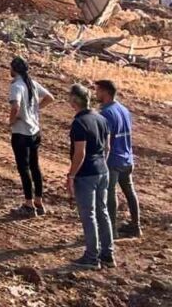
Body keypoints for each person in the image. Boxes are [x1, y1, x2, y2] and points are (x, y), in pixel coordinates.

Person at [66, 83, 114, 270]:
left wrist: (71, 175)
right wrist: (101, 163)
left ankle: (91, 257)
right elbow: (107, 147)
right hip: (103, 170)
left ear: (74, 100)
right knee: (103, 212)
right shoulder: (101, 118)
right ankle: (108, 255)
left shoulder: (79, 123)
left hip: (86, 174)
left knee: (89, 215)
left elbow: (80, 153)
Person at [8, 56, 54, 216]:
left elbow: (16, 106)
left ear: (14, 69)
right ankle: (38, 202)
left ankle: (28, 204)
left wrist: (12, 120)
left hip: (21, 132)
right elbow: (50, 98)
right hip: (34, 131)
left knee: (24, 168)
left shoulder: (16, 86)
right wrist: (35, 111)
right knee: (35, 166)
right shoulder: (32, 84)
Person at [95, 80, 140, 237]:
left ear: (105, 92)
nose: (96, 93)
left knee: (110, 192)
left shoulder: (106, 114)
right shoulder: (124, 109)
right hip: (127, 158)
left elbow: (103, 141)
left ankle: (111, 230)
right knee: (129, 190)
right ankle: (136, 226)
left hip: (113, 159)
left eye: (98, 90)